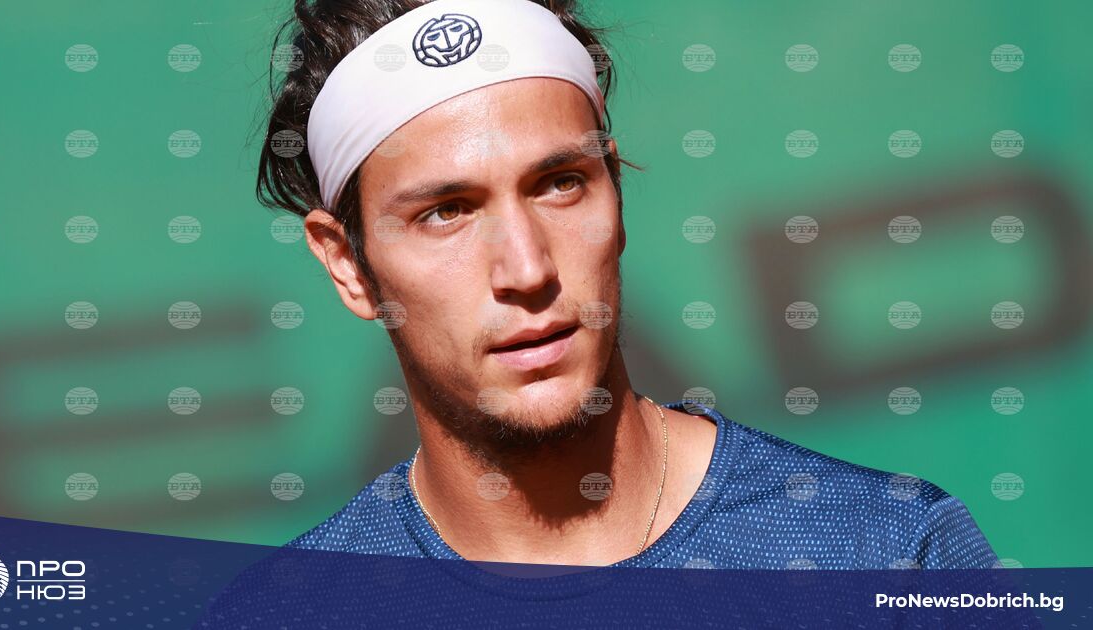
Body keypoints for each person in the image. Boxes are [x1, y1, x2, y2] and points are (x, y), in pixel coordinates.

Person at [255, 0, 999, 570]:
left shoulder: (890, 553)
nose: (527, 270)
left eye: (559, 183)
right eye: (446, 211)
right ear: (346, 264)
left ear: (614, 185)